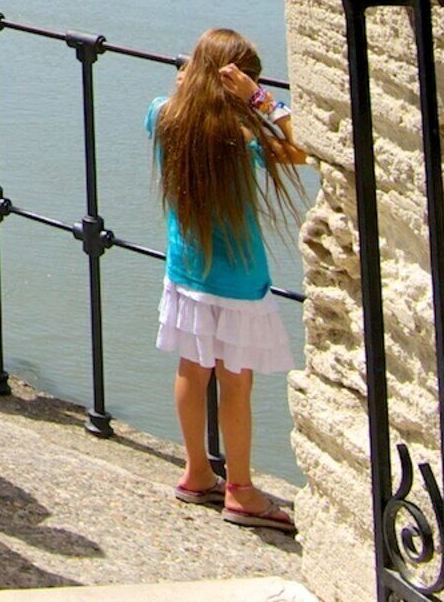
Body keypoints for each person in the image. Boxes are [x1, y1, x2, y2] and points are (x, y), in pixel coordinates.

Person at [152, 28, 317, 534]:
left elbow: (180, 97)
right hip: (239, 277)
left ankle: (196, 471)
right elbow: (303, 147)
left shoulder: (163, 116)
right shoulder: (246, 138)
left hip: (186, 268)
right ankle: (241, 489)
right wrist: (260, 99)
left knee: (191, 366)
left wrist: (192, 83)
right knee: (235, 381)